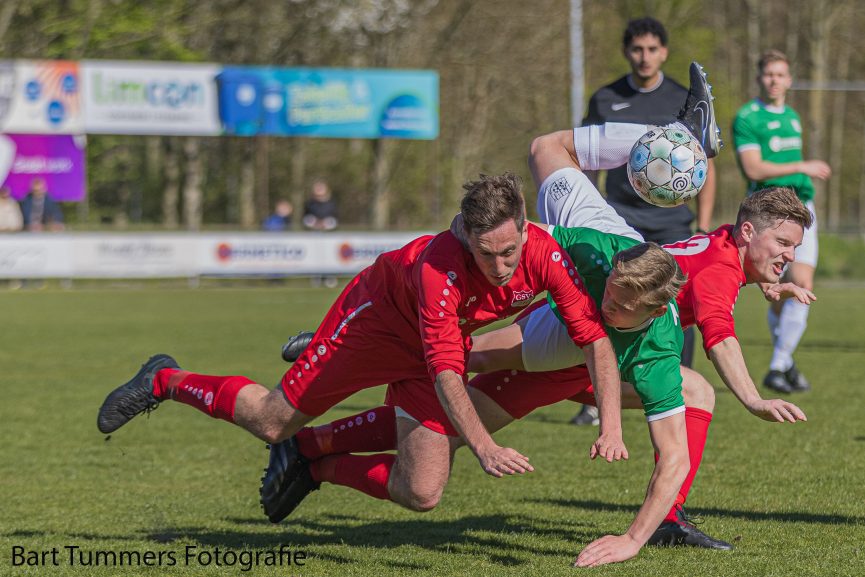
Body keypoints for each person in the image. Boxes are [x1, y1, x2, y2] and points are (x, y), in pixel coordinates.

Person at [281, 72, 813, 562]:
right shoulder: (670, 273)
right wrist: (754, 398)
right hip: (577, 336)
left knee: (547, 151)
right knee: (451, 401)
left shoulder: (692, 245)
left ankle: (324, 412)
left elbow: (550, 169)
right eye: (784, 243)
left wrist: (767, 278)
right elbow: (719, 334)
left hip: (606, 288)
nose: (789, 252)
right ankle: (338, 392)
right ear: (748, 232)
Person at [97, 172, 624, 527]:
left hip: (429, 348)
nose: (499, 266)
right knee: (273, 420)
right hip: (372, 328)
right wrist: (484, 446)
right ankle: (164, 379)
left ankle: (313, 464)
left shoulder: (546, 256)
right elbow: (446, 373)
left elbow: (594, 338)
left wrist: (612, 425)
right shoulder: (438, 269)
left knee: (422, 493)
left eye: (509, 251)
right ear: (463, 233)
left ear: (526, 230)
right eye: (485, 254)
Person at [571, 17, 718, 425]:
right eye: (637, 49)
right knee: (607, 297)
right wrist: (590, 207)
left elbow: (702, 165)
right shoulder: (605, 99)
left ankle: (673, 383)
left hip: (672, 220)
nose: (645, 57)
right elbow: (586, 158)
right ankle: (596, 396)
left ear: (664, 52)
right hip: (621, 215)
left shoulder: (679, 98)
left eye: (652, 49)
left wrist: (702, 224)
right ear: (627, 51)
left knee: (672, 303)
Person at [732, 49, 831, 394]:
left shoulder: (791, 116)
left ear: (789, 80)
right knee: (774, 292)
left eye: (780, 74)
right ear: (759, 77)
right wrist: (801, 167)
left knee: (801, 283)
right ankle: (784, 363)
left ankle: (777, 365)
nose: (774, 80)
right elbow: (754, 169)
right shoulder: (747, 117)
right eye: (768, 74)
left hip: (802, 208)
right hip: (768, 211)